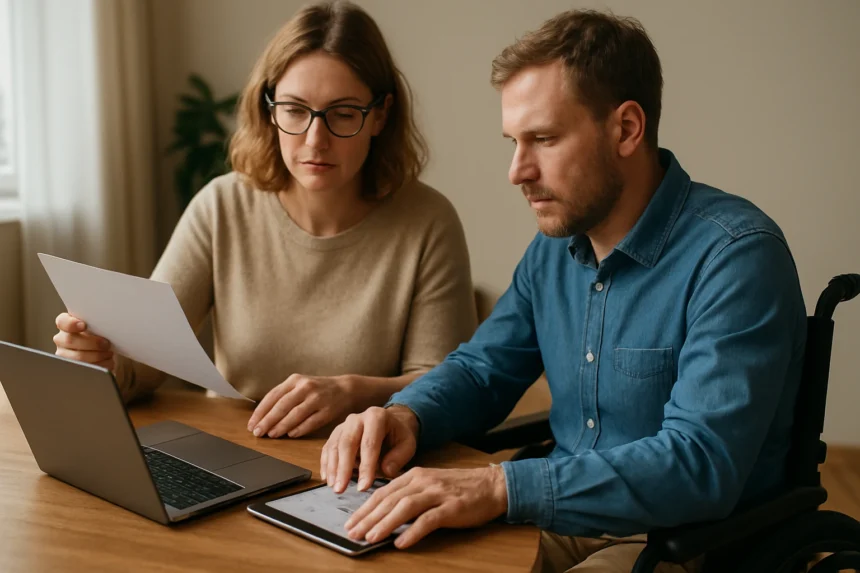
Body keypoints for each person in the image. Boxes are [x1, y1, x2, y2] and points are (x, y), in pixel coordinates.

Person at [319, 9, 806, 573]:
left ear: (626, 128)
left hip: (683, 544)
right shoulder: (556, 247)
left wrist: (500, 486)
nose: (517, 170)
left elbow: (698, 465)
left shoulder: (736, 256)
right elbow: (483, 371)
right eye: (514, 141)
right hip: (557, 520)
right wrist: (406, 416)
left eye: (543, 139)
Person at [51, 0, 477, 440]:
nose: (316, 140)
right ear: (269, 109)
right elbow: (141, 367)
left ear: (381, 115)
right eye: (294, 110)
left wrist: (352, 392)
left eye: (343, 114)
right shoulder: (221, 207)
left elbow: (447, 388)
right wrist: (95, 359)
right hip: (233, 451)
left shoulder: (428, 222)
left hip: (362, 470)